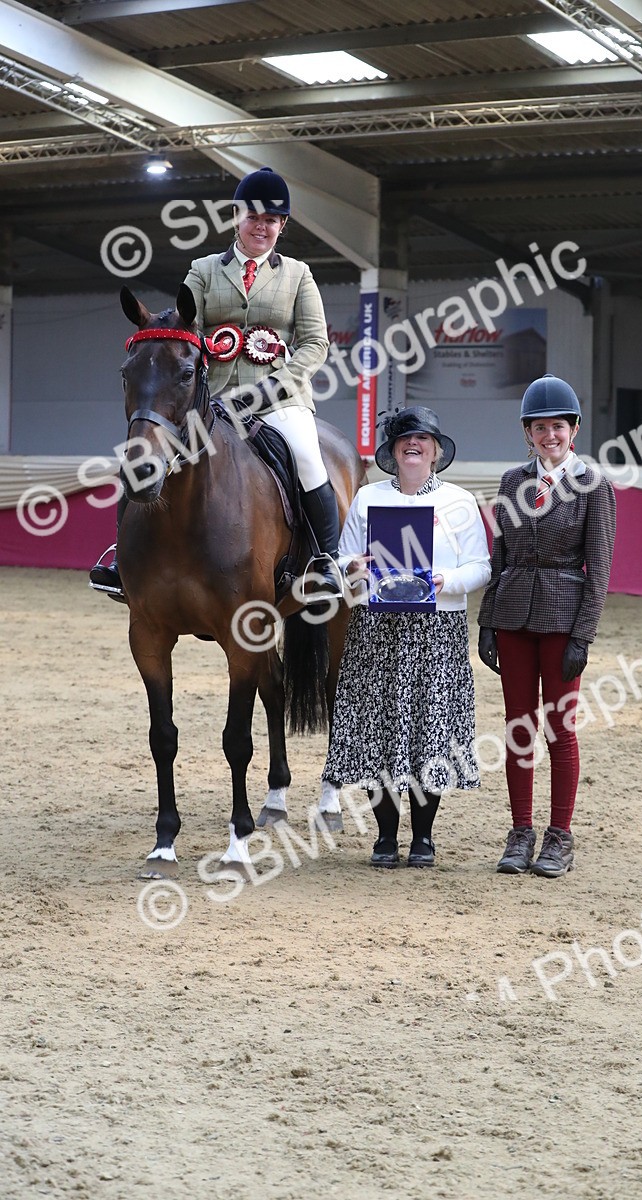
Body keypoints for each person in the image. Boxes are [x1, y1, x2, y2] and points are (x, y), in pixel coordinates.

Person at [90, 165, 341, 598]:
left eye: (270, 220)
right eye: (253, 217)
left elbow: (315, 344)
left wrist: (275, 386)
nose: (260, 227)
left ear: (281, 226)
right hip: (216, 397)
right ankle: (122, 557)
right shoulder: (204, 270)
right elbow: (186, 332)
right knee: (147, 453)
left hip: (279, 400)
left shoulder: (299, 275)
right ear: (236, 217)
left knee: (307, 457)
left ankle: (326, 561)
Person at [322, 406, 491, 868]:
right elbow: (342, 560)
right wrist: (353, 568)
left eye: (422, 439)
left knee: (429, 733)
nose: (413, 445)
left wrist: (445, 581)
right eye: (404, 440)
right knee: (377, 730)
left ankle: (424, 838)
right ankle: (384, 837)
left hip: (436, 628)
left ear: (436, 451)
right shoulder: (368, 497)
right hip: (377, 628)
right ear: (392, 452)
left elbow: (481, 566)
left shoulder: (459, 501)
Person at [477, 374, 616, 878]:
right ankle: (520, 833)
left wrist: (583, 635)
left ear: (573, 430)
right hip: (513, 614)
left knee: (560, 731)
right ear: (528, 433)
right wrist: (488, 621)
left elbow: (599, 568)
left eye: (558, 426)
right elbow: (500, 557)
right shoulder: (513, 482)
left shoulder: (593, 485)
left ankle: (560, 836)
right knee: (519, 728)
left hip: (563, 616)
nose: (549, 435)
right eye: (540, 427)